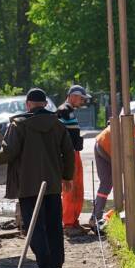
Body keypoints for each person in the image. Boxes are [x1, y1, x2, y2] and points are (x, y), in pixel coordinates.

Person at [0, 88, 75, 268]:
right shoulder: (57, 124)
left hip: (28, 185)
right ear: (45, 104)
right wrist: (67, 177)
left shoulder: (19, 125)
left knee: (35, 227)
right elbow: (69, 153)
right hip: (53, 184)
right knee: (54, 225)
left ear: (28, 104)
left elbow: (8, 152)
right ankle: (55, 266)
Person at [89, 102, 135, 230]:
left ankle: (95, 217)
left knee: (106, 183)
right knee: (133, 174)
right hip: (111, 147)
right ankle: (121, 209)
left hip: (100, 143)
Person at [57, 85, 90, 234]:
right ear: (72, 96)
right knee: (70, 189)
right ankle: (68, 224)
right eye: (81, 98)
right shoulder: (63, 111)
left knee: (78, 188)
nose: (82, 101)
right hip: (68, 155)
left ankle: (74, 221)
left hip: (75, 153)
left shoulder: (69, 111)